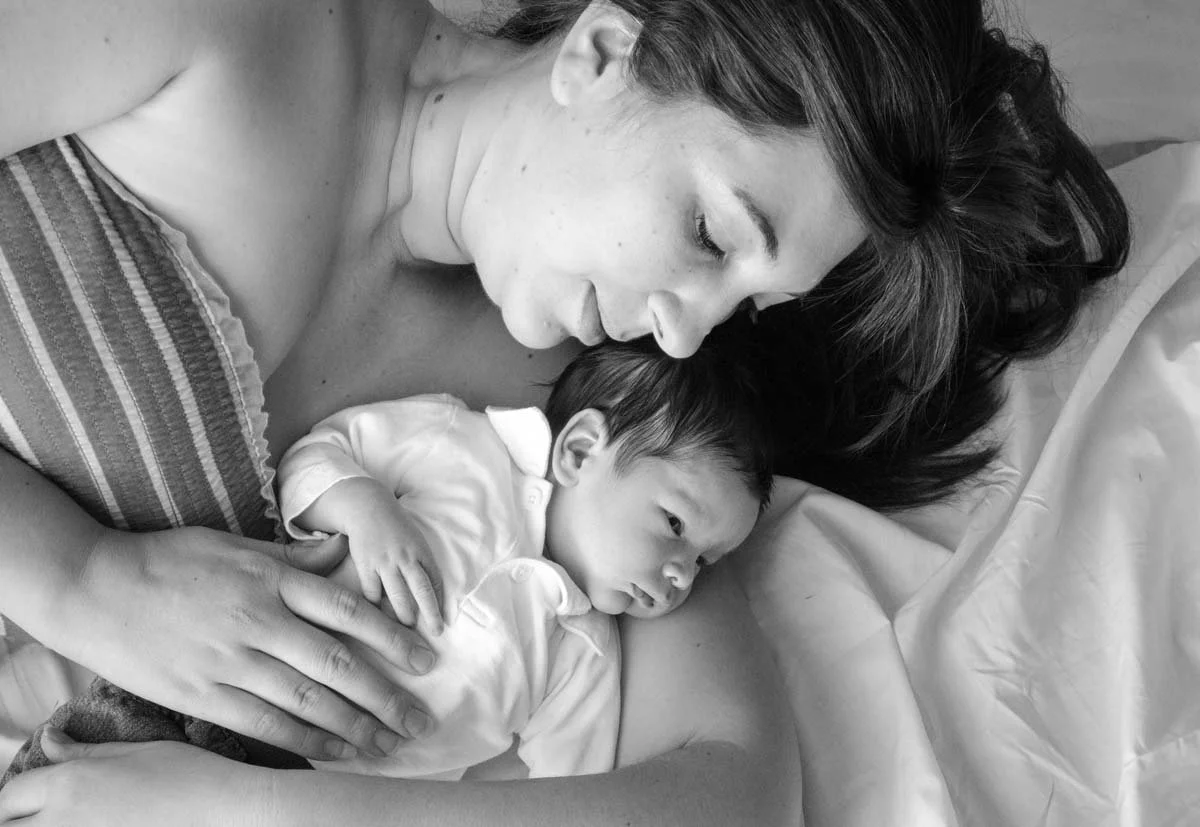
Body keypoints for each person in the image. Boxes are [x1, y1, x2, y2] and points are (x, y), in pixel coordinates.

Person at [0, 0, 1128, 824]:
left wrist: (255, 812)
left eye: (748, 301)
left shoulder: (584, 403)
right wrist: (80, 576)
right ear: (602, 50)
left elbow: (728, 786)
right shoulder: (233, 28)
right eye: (712, 234)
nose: (687, 328)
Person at [3, 339, 773, 783]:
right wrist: (364, 510)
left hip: (321, 794)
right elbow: (318, 456)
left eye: (705, 562)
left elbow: (557, 790)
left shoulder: (583, 652)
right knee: (87, 771)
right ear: (579, 450)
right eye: (675, 525)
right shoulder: (463, 447)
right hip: (215, 680)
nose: (680, 575)